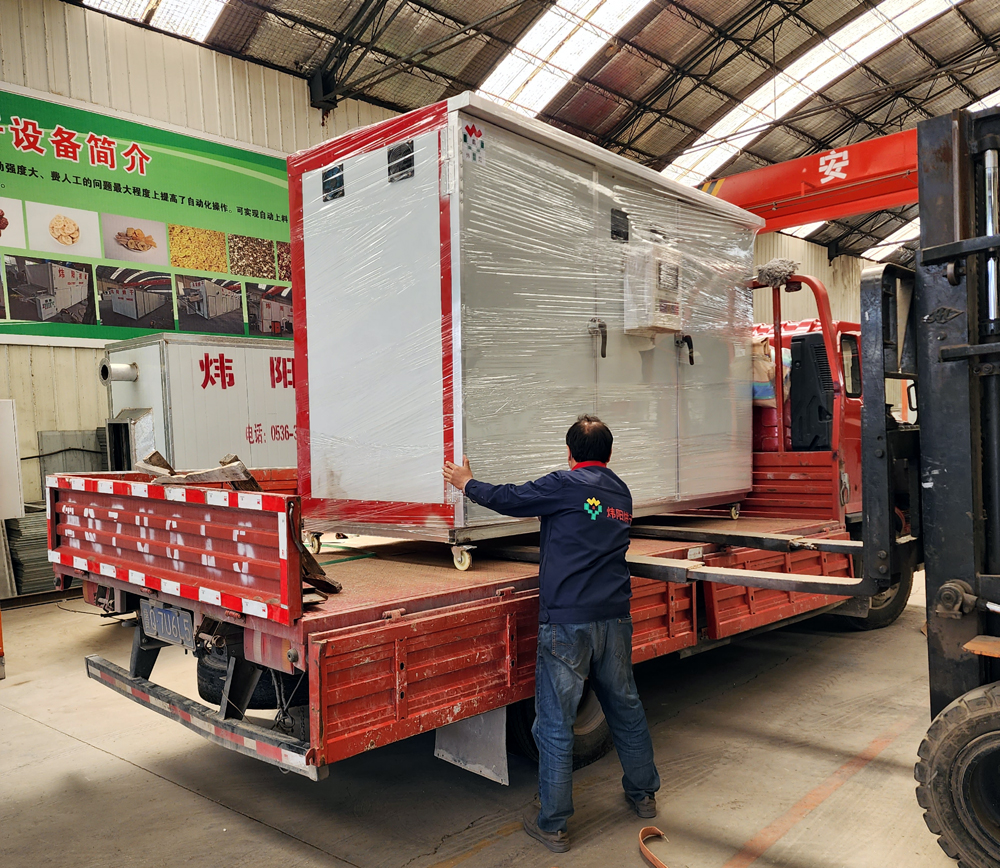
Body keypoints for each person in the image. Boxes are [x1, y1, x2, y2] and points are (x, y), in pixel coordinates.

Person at [442, 415, 660, 854]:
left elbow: (511, 498)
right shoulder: (621, 492)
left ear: (569, 452)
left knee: (556, 723)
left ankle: (553, 823)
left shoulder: (565, 485)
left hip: (567, 622)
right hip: (615, 619)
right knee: (626, 708)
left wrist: (466, 483)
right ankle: (644, 795)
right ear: (609, 453)